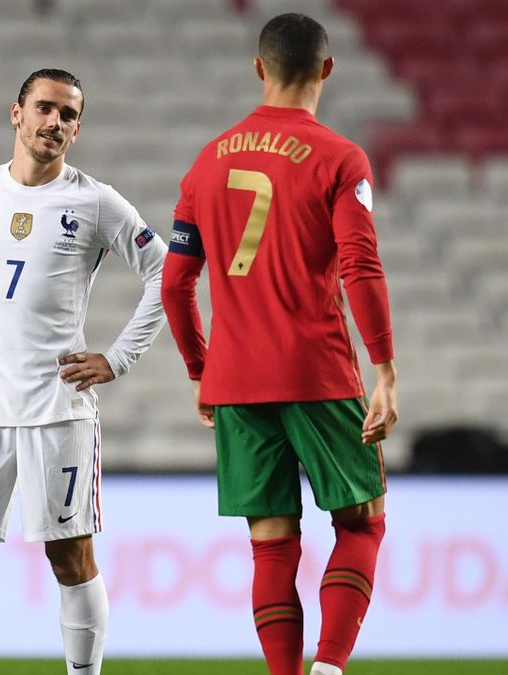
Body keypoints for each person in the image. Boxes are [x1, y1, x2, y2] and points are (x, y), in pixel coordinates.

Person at [159, 14, 397, 675]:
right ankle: (329, 666)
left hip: (237, 381)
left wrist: (201, 368)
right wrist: (385, 370)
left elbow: (176, 282)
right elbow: (360, 263)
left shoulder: (208, 161)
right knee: (360, 524)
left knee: (271, 547)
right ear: (326, 70)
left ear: (259, 69)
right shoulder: (340, 157)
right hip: (318, 371)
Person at [0, 68, 168, 675]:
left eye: (69, 115)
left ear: (77, 129)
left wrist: (118, 356)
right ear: (16, 113)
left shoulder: (95, 201)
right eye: (46, 108)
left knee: (70, 557)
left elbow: (169, 270)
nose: (56, 122)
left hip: (57, 409)